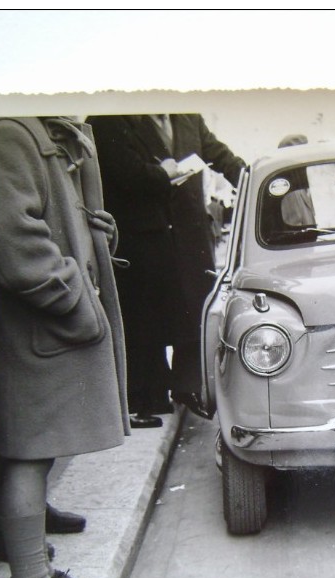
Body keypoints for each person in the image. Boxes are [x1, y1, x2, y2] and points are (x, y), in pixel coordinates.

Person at [0, 116, 131, 578]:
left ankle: (35, 576)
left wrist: (93, 233)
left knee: (39, 454)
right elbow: (14, 243)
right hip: (39, 327)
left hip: (49, 327)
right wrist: (77, 303)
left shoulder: (47, 134)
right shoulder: (12, 134)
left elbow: (47, 219)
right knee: (29, 456)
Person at [86, 114, 246, 427]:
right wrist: (164, 174)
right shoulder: (115, 119)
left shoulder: (188, 118)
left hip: (188, 233)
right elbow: (124, 172)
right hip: (143, 234)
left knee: (193, 310)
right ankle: (149, 396)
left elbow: (221, 157)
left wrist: (253, 179)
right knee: (148, 316)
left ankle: (188, 388)